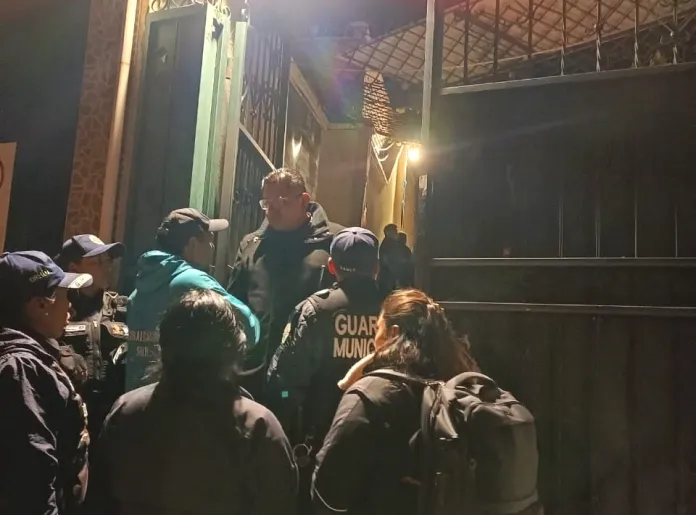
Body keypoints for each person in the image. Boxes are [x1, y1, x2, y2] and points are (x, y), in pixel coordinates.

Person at [90, 290, 297, 515]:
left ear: (164, 347)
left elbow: (100, 500)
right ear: (233, 351)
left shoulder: (126, 411)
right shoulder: (259, 427)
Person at [312, 288, 480, 515]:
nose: (374, 340)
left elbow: (328, 494)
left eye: (377, 330)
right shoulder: (463, 385)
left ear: (393, 333)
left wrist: (351, 387)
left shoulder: (371, 397)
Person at [267, 227, 385, 512]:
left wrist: (286, 431)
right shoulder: (398, 310)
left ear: (332, 267)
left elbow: (284, 382)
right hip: (387, 444)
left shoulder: (315, 310)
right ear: (376, 267)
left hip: (324, 443)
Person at [228, 168, 342, 401]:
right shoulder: (252, 245)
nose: (271, 210)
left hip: (308, 383)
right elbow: (235, 304)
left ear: (304, 201)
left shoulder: (333, 244)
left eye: (280, 202)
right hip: (253, 376)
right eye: (266, 203)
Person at [126, 208, 260, 392]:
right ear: (193, 244)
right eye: (209, 241)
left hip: (140, 400)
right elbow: (249, 329)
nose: (212, 248)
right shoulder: (193, 282)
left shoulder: (140, 288)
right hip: (181, 401)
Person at [0, 251, 93, 515]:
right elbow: (30, 480)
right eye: (66, 296)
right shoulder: (22, 370)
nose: (71, 307)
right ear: (40, 305)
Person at [56, 234, 128, 444]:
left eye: (109, 260)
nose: (108, 267)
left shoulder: (122, 308)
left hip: (115, 418)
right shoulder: (56, 310)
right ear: (74, 268)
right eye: (98, 262)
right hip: (69, 418)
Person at [377, 224, 400, 294]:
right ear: (388, 232)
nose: (396, 232)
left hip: (388, 274)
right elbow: (386, 259)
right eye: (394, 231)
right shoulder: (388, 243)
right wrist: (394, 272)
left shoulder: (390, 242)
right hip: (388, 275)